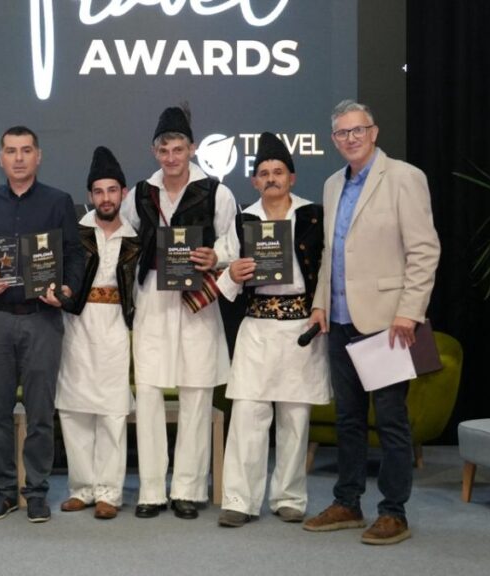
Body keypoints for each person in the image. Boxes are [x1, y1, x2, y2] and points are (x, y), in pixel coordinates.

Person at [303, 100, 440, 545]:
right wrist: (321, 303)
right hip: (340, 319)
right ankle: (347, 501)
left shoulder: (404, 177)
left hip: (387, 321)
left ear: (374, 132)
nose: (351, 138)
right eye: (342, 133)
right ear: (333, 140)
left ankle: (393, 511)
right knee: (348, 419)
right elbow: (331, 253)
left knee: (391, 420)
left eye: (358, 130)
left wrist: (409, 312)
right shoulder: (331, 184)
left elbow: (424, 250)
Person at [119, 104, 239, 519]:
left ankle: (189, 489)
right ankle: (152, 490)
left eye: (178, 149)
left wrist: (215, 255)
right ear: (155, 151)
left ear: (192, 149)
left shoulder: (218, 192)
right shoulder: (139, 193)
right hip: (153, 296)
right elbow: (126, 242)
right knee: (149, 392)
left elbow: (233, 242)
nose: (171, 157)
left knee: (196, 392)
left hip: (197, 298)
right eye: (164, 150)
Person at [0, 125, 84, 523]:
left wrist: (66, 290)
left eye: (26, 150)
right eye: (11, 151)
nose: (18, 158)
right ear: (0, 157)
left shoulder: (59, 202)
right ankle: (2, 491)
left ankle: (36, 491)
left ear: (38, 156)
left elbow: (74, 254)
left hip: (42, 319)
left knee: (40, 412)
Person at [215, 132, 330, 528]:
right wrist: (232, 272)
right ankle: (239, 500)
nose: (271, 179)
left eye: (278, 172)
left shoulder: (313, 216)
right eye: (263, 173)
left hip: (301, 327)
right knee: (248, 415)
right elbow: (225, 275)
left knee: (295, 418)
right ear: (254, 181)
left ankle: (289, 497)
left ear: (291, 177)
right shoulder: (243, 220)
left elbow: (329, 268)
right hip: (257, 327)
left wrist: (323, 306)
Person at [55, 146, 140, 520]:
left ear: (123, 193)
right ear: (90, 195)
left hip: (115, 328)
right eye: (99, 191)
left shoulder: (136, 237)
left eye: (112, 190)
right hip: (77, 326)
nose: (106, 198)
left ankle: (109, 492)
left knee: (112, 412)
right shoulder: (75, 233)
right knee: (74, 410)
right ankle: (81, 488)